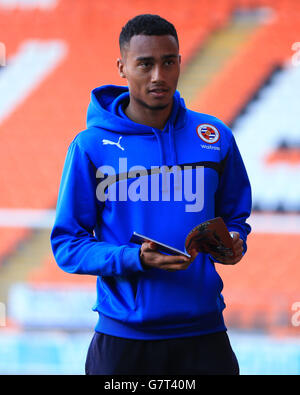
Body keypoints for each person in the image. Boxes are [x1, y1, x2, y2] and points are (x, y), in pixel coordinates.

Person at [50, 14, 251, 375]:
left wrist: (235, 241)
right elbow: (68, 246)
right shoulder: (91, 146)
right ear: (122, 67)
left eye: (168, 61)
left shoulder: (215, 136)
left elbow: (236, 218)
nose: (159, 75)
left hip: (204, 337)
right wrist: (134, 258)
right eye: (145, 64)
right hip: (124, 342)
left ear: (179, 62)